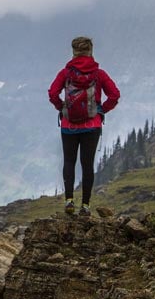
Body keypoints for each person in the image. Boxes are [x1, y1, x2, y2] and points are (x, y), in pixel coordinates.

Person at [48, 37, 120, 216]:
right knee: (87, 164)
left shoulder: (65, 73)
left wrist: (62, 108)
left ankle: (69, 201)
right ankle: (86, 206)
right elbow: (114, 95)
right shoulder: (99, 74)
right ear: (90, 51)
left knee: (69, 161)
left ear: (73, 52)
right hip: (92, 125)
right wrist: (102, 110)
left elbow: (52, 93)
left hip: (68, 126)